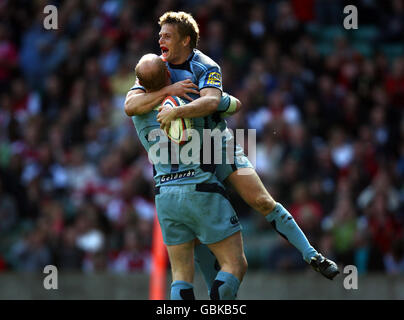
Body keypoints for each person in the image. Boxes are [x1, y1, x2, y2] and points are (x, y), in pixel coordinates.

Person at [125, 11, 339, 288]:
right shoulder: (155, 67)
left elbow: (211, 102)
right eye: (160, 35)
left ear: (186, 40)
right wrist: (172, 91)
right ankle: (218, 296)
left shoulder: (205, 66)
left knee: (261, 201)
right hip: (189, 156)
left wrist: (178, 110)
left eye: (166, 35)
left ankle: (312, 255)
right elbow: (131, 105)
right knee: (202, 237)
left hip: (217, 144)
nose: (160, 39)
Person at [129, 53, 247, 300]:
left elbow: (129, 105)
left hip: (165, 195)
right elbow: (230, 105)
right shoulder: (188, 97)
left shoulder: (138, 109)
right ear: (169, 74)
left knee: (181, 275)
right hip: (200, 188)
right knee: (235, 264)